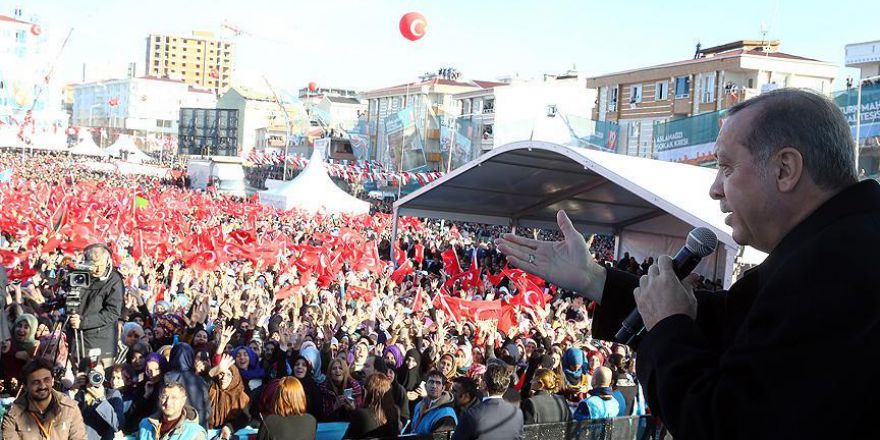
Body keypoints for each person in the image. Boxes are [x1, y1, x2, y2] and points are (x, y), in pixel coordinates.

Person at [496, 88, 880, 439]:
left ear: (784, 169)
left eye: (727, 168)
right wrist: (593, 278)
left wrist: (667, 328)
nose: (715, 189)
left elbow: (725, 424)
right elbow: (729, 320)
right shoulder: (839, 245)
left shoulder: (835, 270)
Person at [68, 243, 124, 368]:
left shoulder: (114, 280)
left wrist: (83, 322)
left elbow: (113, 313)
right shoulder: (79, 274)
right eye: (94, 265)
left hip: (101, 342)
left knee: (96, 382)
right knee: (78, 379)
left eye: (101, 265)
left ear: (108, 260)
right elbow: (72, 300)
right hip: (77, 339)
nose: (98, 269)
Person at [2, 358, 87, 440]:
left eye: (46, 380)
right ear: (25, 386)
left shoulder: (70, 408)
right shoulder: (13, 415)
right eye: (36, 382)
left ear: (53, 381)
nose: (42, 386)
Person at [452, 363, 524, 440]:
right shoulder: (517, 413)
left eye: (482, 380)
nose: (480, 382)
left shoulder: (471, 415)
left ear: (485, 385)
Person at [137, 380, 207, 440]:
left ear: (183, 401)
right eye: (164, 397)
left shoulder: (195, 433)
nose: (168, 402)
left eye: (174, 398)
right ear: (159, 399)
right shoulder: (145, 425)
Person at [163, 343, 212, 428]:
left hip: (172, 429)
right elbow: (207, 411)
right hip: (197, 429)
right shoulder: (199, 380)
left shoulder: (166, 378)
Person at [76, 364, 125, 440]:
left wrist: (101, 399)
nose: (95, 376)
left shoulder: (112, 394)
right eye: (92, 373)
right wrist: (72, 389)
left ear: (104, 375)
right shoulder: (79, 394)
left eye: (98, 373)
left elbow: (118, 424)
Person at [344, 373, 400, 439]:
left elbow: (347, 438)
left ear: (368, 392)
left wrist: (355, 410)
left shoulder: (360, 414)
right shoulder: (395, 411)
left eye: (364, 389)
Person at [207, 353, 251, 436]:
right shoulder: (211, 390)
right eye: (221, 374)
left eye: (228, 375)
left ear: (234, 378)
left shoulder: (242, 397)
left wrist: (228, 427)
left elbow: (244, 418)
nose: (224, 378)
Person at [409, 370, 457, 435]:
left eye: (438, 383)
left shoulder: (447, 415)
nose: (434, 386)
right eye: (431, 382)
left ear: (443, 388)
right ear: (425, 386)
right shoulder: (419, 404)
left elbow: (442, 439)